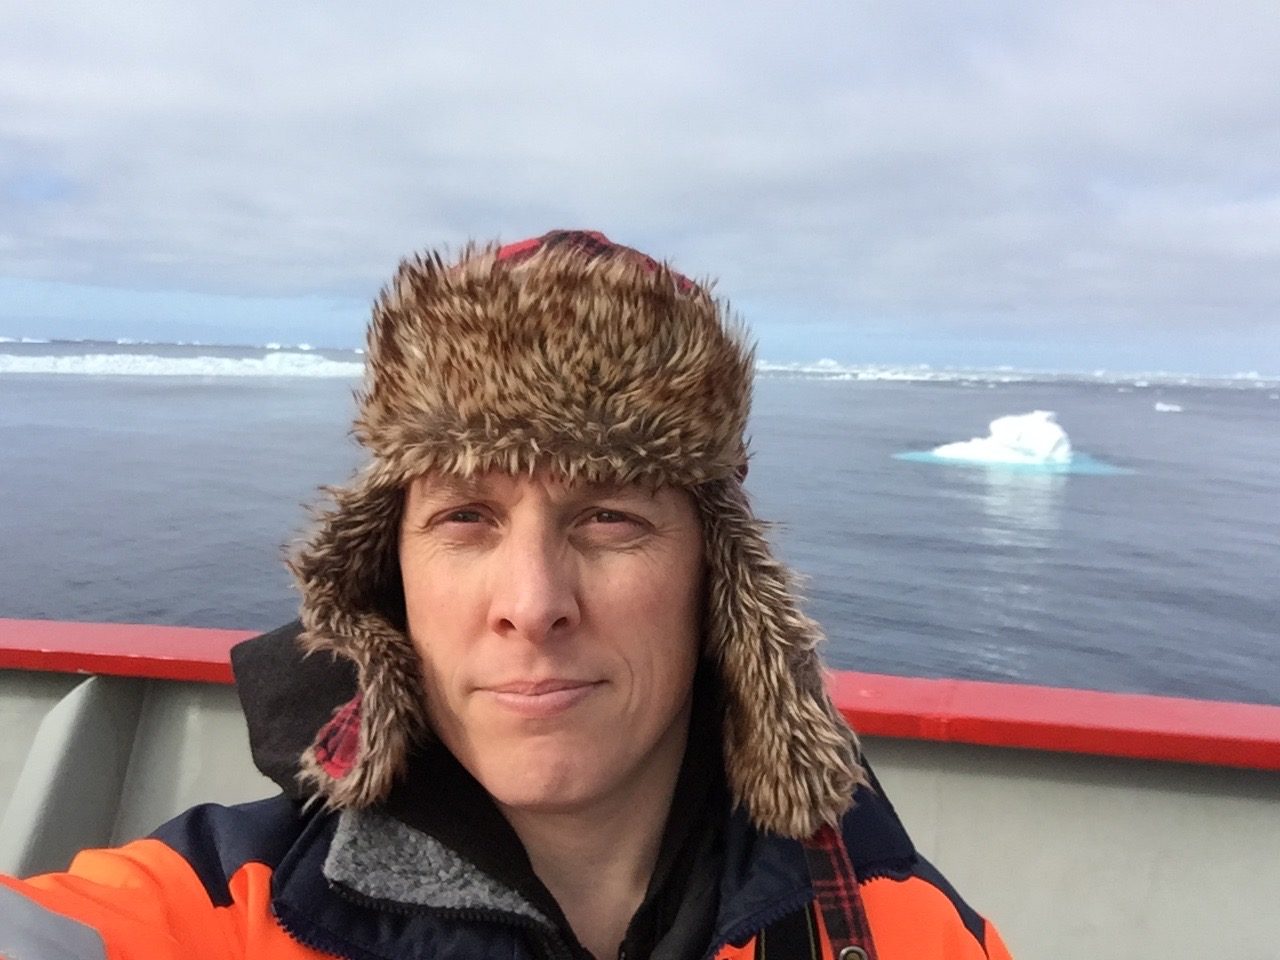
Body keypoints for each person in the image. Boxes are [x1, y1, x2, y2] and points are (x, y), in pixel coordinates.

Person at [0, 230, 1012, 959]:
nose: (531, 603)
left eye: (610, 517)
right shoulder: (218, 909)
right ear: (386, 574)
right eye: (464, 518)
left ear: (715, 572)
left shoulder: (898, 929)